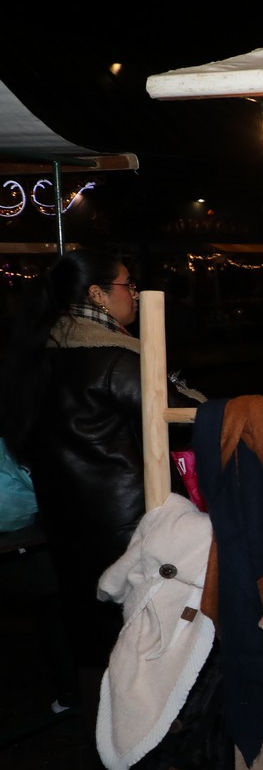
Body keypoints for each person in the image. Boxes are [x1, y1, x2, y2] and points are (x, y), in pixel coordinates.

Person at [0, 250, 201, 707]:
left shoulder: (39, 358)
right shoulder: (114, 359)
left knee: (94, 640)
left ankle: (96, 725)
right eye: (128, 285)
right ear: (98, 294)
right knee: (147, 637)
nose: (135, 294)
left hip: (67, 522)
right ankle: (148, 733)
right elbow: (185, 418)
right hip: (132, 525)